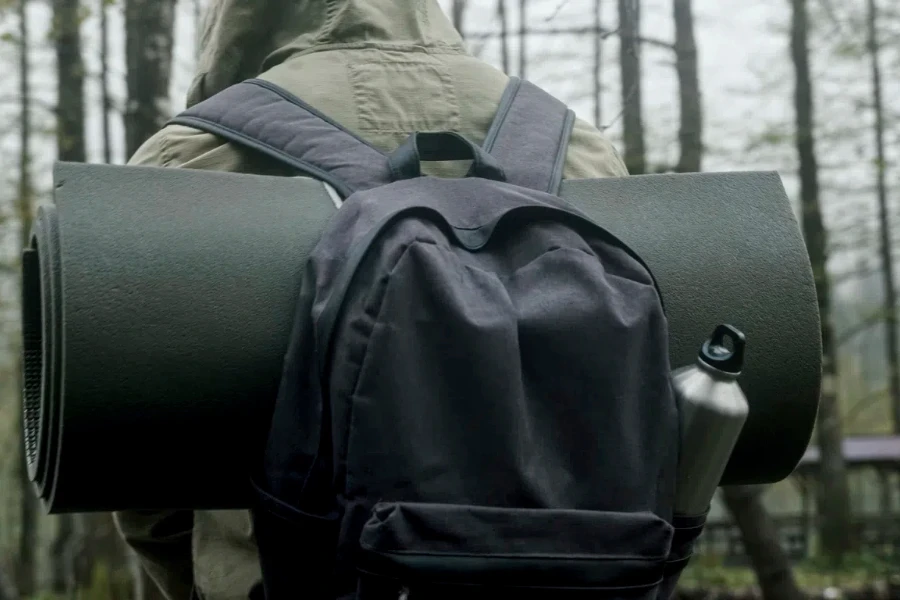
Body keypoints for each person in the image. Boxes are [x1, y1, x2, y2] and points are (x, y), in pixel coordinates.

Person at [114, 0, 629, 598]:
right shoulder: (575, 142)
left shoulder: (193, 154)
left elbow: (138, 447)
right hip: (571, 574)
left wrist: (204, 577)